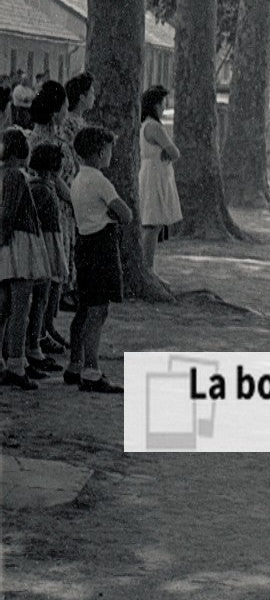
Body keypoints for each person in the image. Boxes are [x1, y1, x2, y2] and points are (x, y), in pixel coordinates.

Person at [67, 126, 130, 393]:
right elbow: (125, 214)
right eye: (109, 149)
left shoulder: (78, 179)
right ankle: (92, 370)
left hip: (83, 242)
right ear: (100, 151)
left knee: (85, 307)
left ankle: (75, 364)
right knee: (98, 310)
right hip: (101, 246)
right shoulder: (100, 181)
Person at [0, 129, 51, 389]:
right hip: (17, 244)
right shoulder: (15, 176)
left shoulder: (6, 175)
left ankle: (7, 362)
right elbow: (8, 213)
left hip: (10, 245)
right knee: (20, 308)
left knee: (6, 307)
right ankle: (16, 365)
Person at [28, 81, 78, 345]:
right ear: (56, 109)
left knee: (58, 271)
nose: (67, 110)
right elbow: (55, 179)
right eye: (65, 106)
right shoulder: (42, 140)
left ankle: (48, 326)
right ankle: (41, 329)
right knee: (49, 271)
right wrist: (75, 200)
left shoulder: (56, 137)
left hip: (64, 210)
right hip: (53, 208)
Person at [25, 144, 69, 377]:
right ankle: (34, 346)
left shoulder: (39, 187)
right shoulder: (42, 190)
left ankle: (37, 340)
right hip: (45, 245)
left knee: (43, 298)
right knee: (41, 298)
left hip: (46, 244)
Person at [138, 85, 182, 272]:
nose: (165, 107)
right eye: (163, 103)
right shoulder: (154, 127)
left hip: (151, 172)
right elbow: (174, 152)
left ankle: (148, 266)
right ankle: (148, 267)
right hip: (155, 175)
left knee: (152, 222)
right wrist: (166, 151)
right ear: (156, 105)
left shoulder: (144, 125)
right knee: (152, 223)